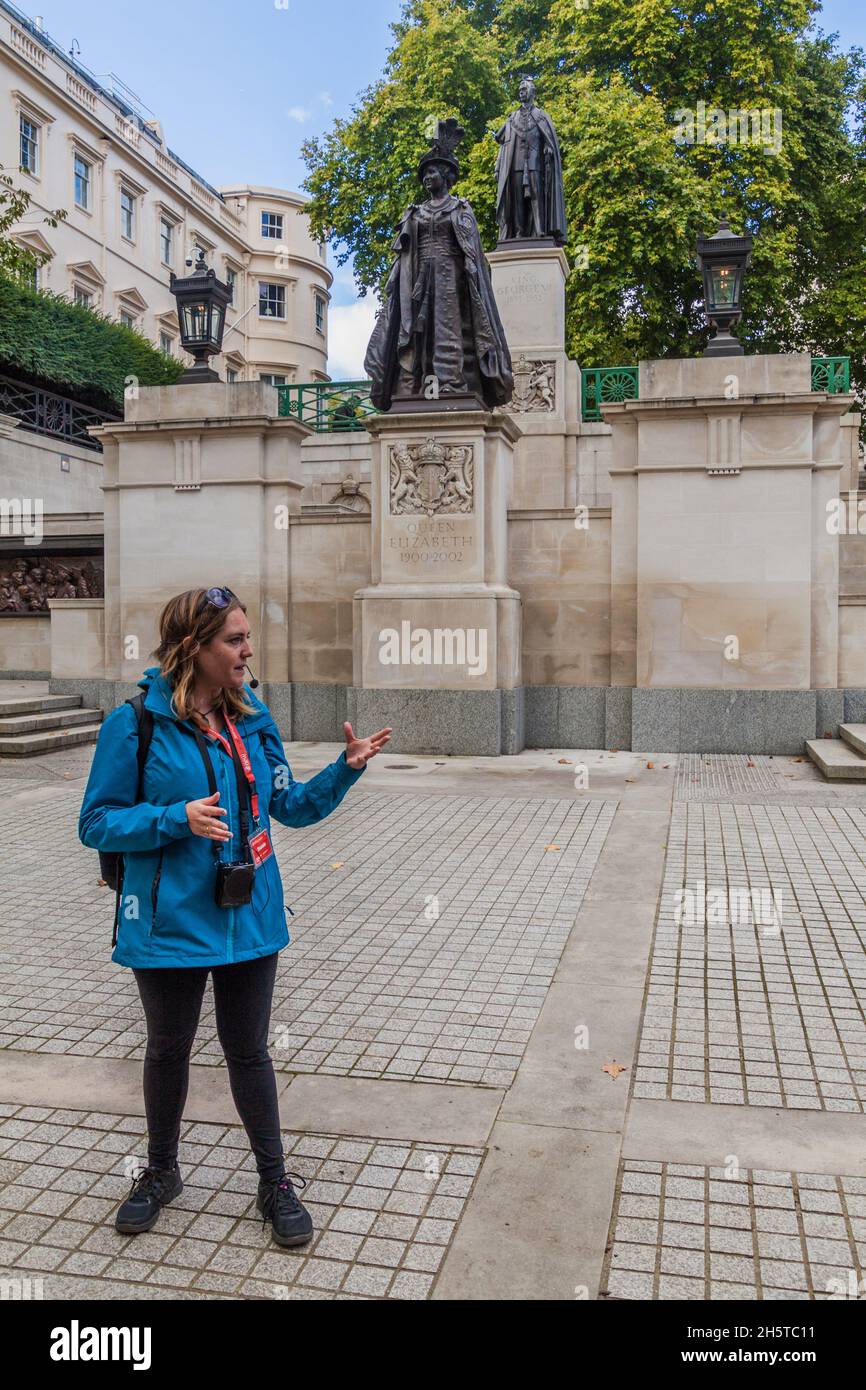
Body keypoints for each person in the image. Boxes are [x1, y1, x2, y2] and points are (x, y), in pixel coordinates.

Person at [78, 586, 392, 1248]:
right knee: (168, 1047)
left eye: (247, 637)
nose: (248, 651)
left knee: (248, 1049)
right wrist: (174, 818)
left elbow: (294, 807)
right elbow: (96, 821)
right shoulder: (134, 725)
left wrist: (345, 769)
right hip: (168, 922)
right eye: (235, 640)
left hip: (249, 914)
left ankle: (274, 1182)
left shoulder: (253, 720)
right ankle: (161, 1172)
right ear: (195, 647)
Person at [364, 118, 513, 412]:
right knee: (415, 332)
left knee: (449, 330)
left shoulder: (460, 209)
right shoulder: (415, 212)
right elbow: (403, 254)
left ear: (446, 176)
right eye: (425, 173)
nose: (427, 177)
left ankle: (450, 384)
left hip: (450, 279)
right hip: (418, 279)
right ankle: (414, 383)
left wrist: (470, 278)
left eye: (432, 172)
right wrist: (395, 281)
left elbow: (472, 254)